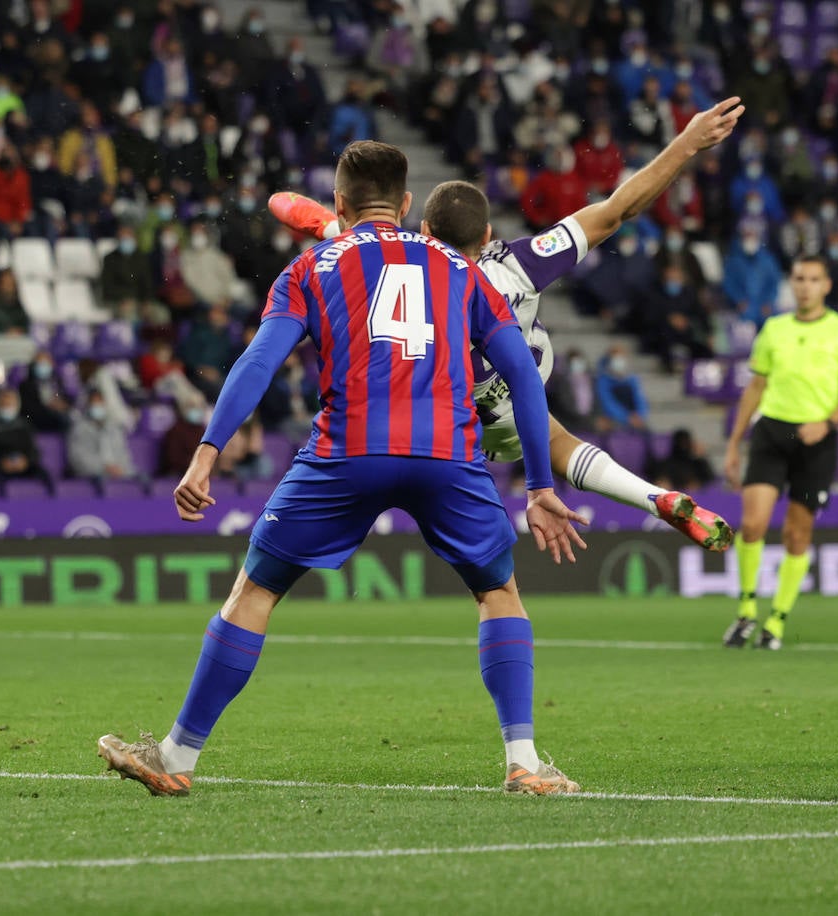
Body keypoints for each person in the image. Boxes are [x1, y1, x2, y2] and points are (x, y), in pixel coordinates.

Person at [98, 140, 587, 798]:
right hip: (446, 451)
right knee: (497, 593)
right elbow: (524, 375)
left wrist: (208, 450)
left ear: (338, 203)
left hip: (348, 449)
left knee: (255, 592)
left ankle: (177, 757)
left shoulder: (310, 267)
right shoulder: (464, 271)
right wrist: (541, 486)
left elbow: (258, 363)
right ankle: (523, 761)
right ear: (408, 205)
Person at [269, 96, 745, 549]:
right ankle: (651, 497)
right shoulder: (521, 263)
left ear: (427, 230)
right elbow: (618, 209)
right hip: (524, 382)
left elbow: (307, 215)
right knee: (556, 439)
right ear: (489, 234)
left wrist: (330, 225)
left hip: (455, 414)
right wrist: (687, 142)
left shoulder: (408, 267)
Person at [722, 255, 838, 651]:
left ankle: (777, 622)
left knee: (796, 534)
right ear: (792, 283)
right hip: (772, 433)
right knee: (752, 525)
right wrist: (735, 442)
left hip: (817, 440)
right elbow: (755, 387)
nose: (805, 286)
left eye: (813, 279)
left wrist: (829, 423)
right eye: (799, 278)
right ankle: (747, 611)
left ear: (827, 285)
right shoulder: (774, 328)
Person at [0, 388, 48, 486]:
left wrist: (26, 462)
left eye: (9, 404)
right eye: (3, 404)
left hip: (24, 467)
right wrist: (1, 463)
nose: (7, 407)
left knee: (44, 476)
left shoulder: (25, 425)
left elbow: (34, 452)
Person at [67, 390, 135, 480]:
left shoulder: (114, 429)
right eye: (94, 403)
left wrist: (121, 469)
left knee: (142, 478)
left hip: (119, 474)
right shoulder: (79, 429)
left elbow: (123, 455)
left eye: (100, 402)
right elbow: (79, 460)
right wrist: (105, 468)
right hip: (94, 476)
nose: (97, 406)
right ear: (88, 406)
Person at [595, 347, 651, 431]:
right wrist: (626, 417)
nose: (619, 362)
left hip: (635, 418)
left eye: (621, 358)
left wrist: (639, 414)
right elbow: (608, 402)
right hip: (615, 419)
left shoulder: (632, 379)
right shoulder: (603, 381)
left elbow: (640, 399)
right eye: (615, 359)